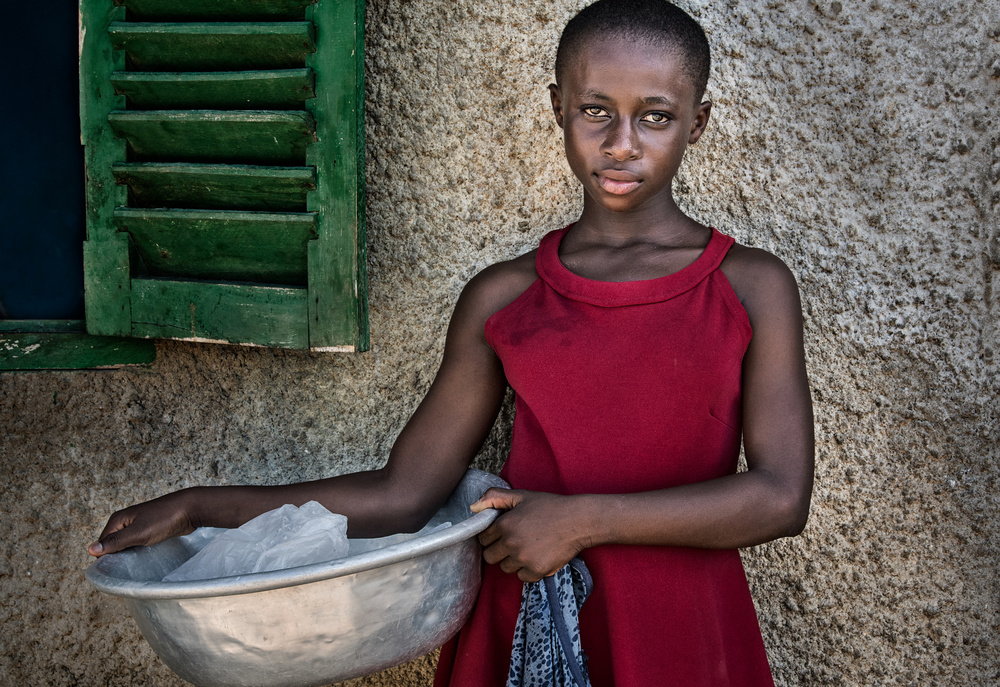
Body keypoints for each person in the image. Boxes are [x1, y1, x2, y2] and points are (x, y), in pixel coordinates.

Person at [89, 1, 814, 685]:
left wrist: (582, 518)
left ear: (698, 122)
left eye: (655, 116)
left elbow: (781, 498)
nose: (622, 142)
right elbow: (403, 495)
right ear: (558, 106)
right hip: (520, 618)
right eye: (596, 110)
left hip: (682, 632)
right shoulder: (504, 298)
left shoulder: (750, 286)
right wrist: (199, 507)